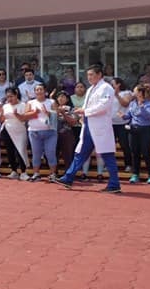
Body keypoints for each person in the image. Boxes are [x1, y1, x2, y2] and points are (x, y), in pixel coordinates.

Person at [53, 64, 121, 193]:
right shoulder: (90, 89)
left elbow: (104, 105)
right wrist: (80, 112)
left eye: (91, 75)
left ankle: (114, 183)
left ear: (99, 75)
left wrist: (86, 111)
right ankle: (68, 178)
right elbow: (86, 106)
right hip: (88, 125)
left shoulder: (106, 88)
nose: (89, 77)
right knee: (80, 153)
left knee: (107, 154)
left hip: (100, 126)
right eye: (88, 75)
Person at [122, 84, 150, 184]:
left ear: (141, 93)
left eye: (136, 91)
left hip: (145, 130)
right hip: (133, 130)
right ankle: (135, 174)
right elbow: (129, 115)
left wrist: (142, 107)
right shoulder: (133, 103)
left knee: (146, 153)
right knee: (135, 153)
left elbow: (149, 116)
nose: (134, 93)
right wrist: (123, 116)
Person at [24, 84, 58, 182]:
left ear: (45, 91)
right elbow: (25, 116)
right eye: (37, 90)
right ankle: (36, 173)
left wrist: (48, 113)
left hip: (50, 132)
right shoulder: (30, 102)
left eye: (41, 89)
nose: (39, 91)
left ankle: (53, 174)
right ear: (35, 92)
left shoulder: (51, 101)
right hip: (34, 132)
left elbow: (57, 114)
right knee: (36, 153)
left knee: (50, 152)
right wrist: (34, 113)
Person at [0, 87, 30, 180]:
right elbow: (1, 120)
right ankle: (14, 170)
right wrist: (1, 115)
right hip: (7, 129)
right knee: (10, 151)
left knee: (20, 150)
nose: (9, 99)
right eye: (8, 97)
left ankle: (23, 172)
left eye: (11, 96)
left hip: (19, 130)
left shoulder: (23, 105)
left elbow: (24, 119)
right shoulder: (5, 106)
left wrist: (16, 114)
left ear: (16, 94)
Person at [111, 77, 133, 172]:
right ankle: (109, 165)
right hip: (111, 124)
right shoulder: (108, 94)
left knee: (125, 145)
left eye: (113, 84)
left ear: (119, 84)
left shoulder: (126, 93)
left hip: (122, 123)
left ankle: (128, 164)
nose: (111, 86)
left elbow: (125, 104)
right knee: (110, 146)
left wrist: (117, 95)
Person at [55, 91, 79, 175]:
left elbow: (73, 122)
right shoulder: (53, 108)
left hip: (67, 134)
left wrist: (63, 114)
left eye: (63, 96)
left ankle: (68, 174)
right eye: (59, 97)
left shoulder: (72, 109)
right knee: (54, 154)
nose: (60, 98)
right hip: (54, 135)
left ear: (67, 99)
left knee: (68, 155)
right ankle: (54, 173)